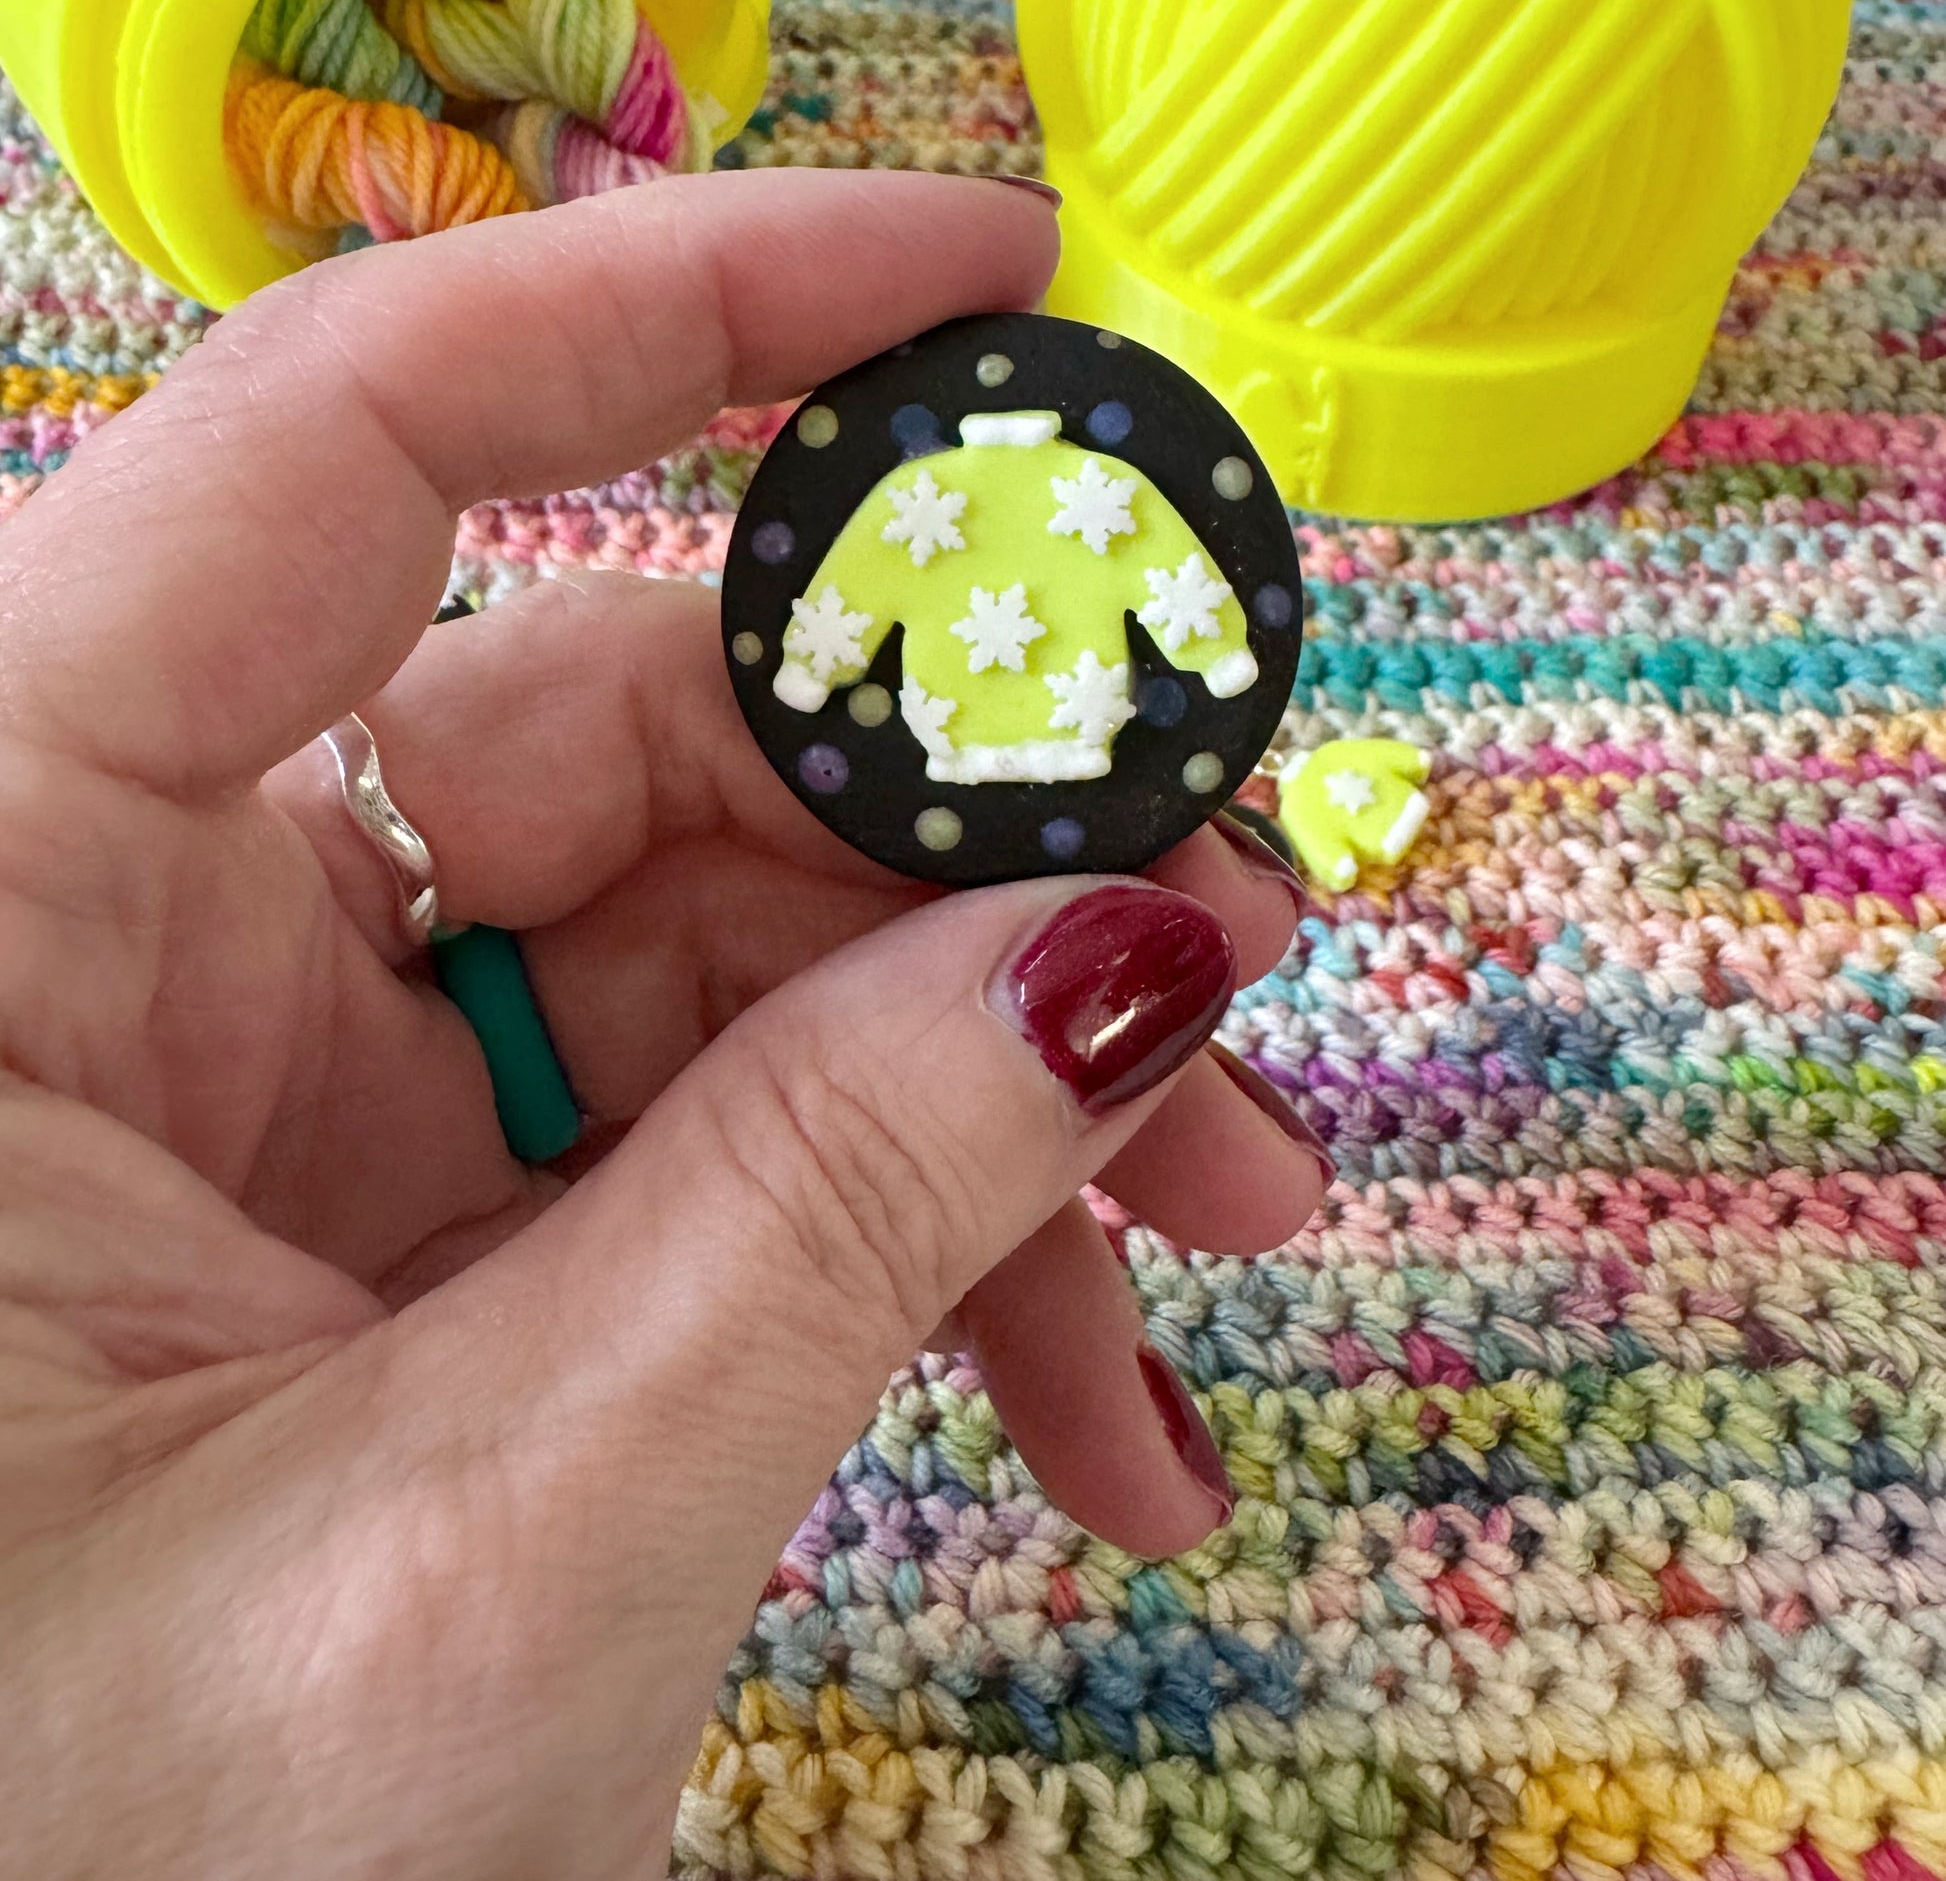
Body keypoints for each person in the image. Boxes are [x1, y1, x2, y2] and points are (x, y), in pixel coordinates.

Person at [0, 170, 1328, 1876]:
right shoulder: (1003, 495)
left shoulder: (1016, 495)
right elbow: (913, 626)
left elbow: (1068, 622)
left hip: (1018, 727)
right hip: (973, 727)